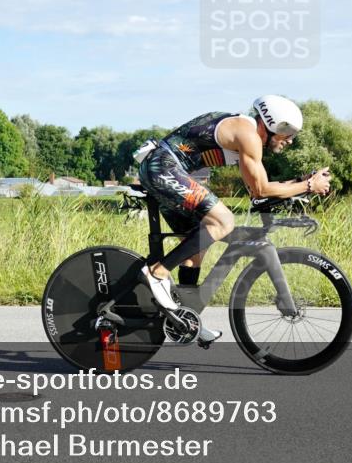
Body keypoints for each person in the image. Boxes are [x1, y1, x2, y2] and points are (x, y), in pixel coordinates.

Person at [136, 95, 331, 344]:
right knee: (223, 221)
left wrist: (301, 183)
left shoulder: (247, 136)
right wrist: (308, 185)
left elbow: (258, 193)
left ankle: (185, 317)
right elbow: (260, 190)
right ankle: (156, 273)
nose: (290, 140)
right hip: (162, 167)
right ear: (270, 125)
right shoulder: (247, 135)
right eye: (287, 132)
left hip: (164, 169)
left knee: (197, 245)